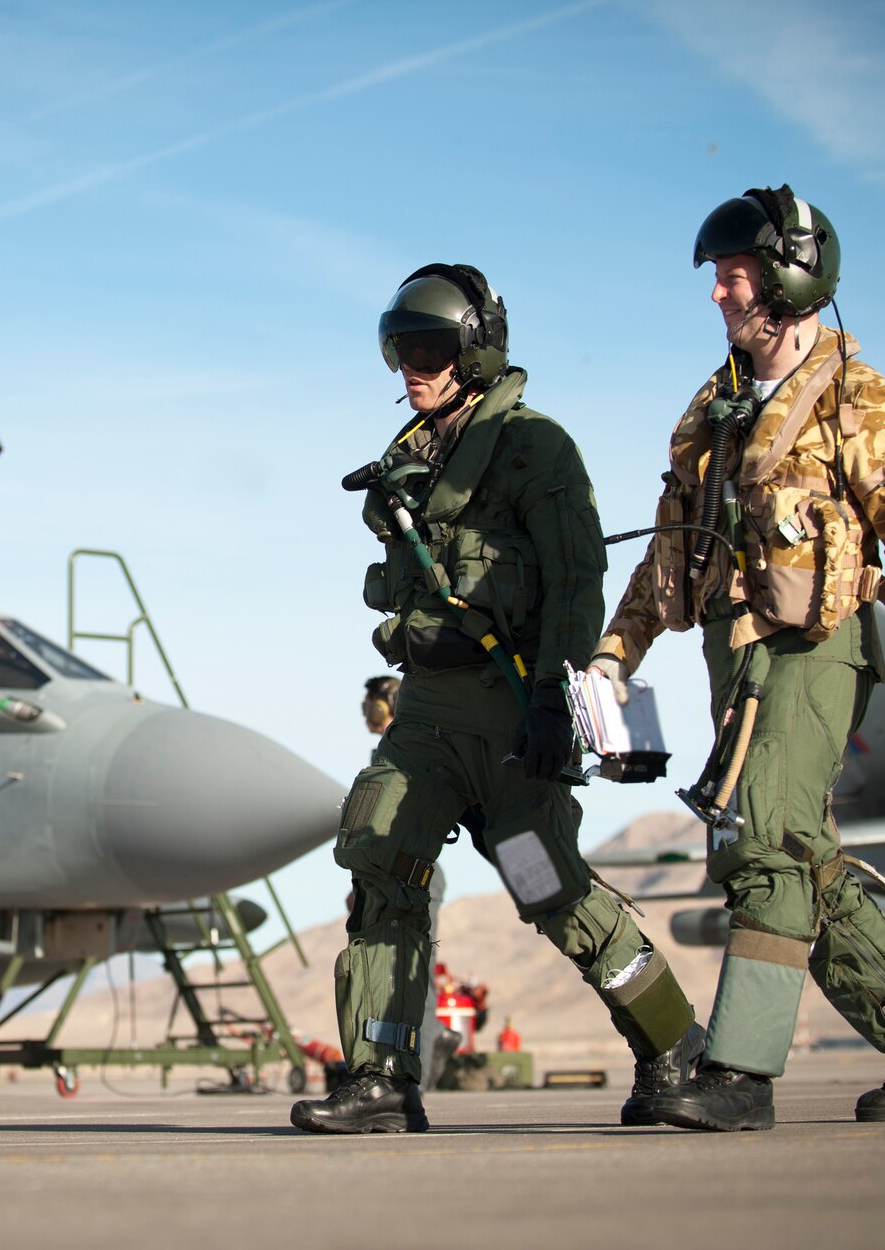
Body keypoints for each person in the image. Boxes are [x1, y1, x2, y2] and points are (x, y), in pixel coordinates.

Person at [588, 187, 885, 1130]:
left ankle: (741, 1072)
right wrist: (617, 645)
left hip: (819, 649)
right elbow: (673, 539)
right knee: (801, 850)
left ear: (790, 280)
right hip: (736, 659)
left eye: (733, 279)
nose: (718, 297)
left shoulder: (859, 398)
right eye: (719, 281)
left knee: (761, 838)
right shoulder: (713, 405)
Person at [292, 265, 702, 1136]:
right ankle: (380, 1077)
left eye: (432, 346)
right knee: (381, 864)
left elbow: (575, 578)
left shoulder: (533, 447)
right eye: (402, 347)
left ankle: (675, 1050)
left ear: (476, 349)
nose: (412, 365)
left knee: (547, 885)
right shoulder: (408, 461)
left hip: (515, 714)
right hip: (431, 716)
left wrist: (559, 698)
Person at [362, 676, 462, 1090]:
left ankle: (415, 1068)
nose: (367, 710)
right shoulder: (388, 753)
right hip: (384, 871)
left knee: (412, 967)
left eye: (373, 702)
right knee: (384, 969)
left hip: (416, 870)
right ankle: (399, 1061)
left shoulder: (417, 750)